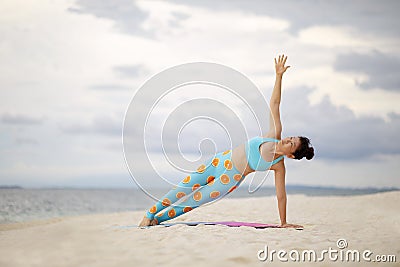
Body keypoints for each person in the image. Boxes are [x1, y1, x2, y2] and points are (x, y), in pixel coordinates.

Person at [139, 55, 314, 228]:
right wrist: (278, 76)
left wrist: (283, 223)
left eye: (291, 144)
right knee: (182, 188)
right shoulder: (274, 133)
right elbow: (275, 103)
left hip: (229, 179)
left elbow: (281, 196)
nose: (286, 140)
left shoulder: (278, 166)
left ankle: (157, 221)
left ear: (291, 155)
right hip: (219, 161)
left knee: (191, 202)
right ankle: (149, 214)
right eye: (290, 138)